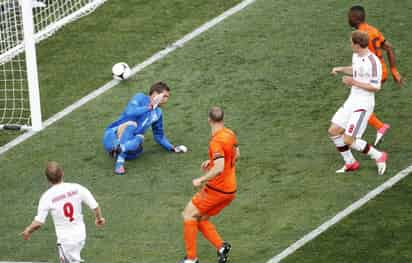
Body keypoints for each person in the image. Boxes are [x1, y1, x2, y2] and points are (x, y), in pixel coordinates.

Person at [179, 107, 239, 263]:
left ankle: (191, 259)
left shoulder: (216, 141)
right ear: (223, 119)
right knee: (201, 218)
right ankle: (221, 247)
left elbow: (219, 168)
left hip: (217, 189)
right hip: (230, 190)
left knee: (188, 215)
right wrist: (212, 161)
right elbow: (236, 154)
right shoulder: (230, 134)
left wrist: (201, 179)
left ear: (209, 120)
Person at [329, 31, 388, 175]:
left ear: (357, 45)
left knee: (349, 139)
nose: (350, 45)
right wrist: (341, 69)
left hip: (363, 104)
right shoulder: (356, 55)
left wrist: (353, 82)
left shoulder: (374, 63)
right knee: (333, 131)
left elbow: (375, 87)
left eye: (351, 43)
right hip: (352, 99)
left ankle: (378, 155)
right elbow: (356, 70)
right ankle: (350, 163)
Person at [22, 161, 105, 263]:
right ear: (62, 173)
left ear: (48, 179)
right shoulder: (77, 188)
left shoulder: (47, 196)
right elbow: (95, 206)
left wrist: (28, 230)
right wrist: (99, 218)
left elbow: (39, 222)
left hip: (66, 240)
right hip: (80, 235)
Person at [102, 81, 187, 175]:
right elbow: (130, 111)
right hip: (112, 137)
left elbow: (159, 136)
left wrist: (172, 148)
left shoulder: (158, 113)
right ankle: (119, 164)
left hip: (129, 146)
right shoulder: (140, 97)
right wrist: (148, 107)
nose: (166, 99)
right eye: (165, 96)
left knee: (140, 137)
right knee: (132, 124)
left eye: (167, 97)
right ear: (155, 94)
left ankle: (120, 149)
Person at [348, 5, 404, 145]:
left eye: (349, 16)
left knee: (357, 104)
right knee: (358, 102)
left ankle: (379, 127)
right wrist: (394, 70)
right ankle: (377, 127)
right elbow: (389, 47)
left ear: (354, 18)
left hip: (371, 72)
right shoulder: (373, 30)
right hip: (381, 70)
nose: (347, 18)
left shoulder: (359, 36)